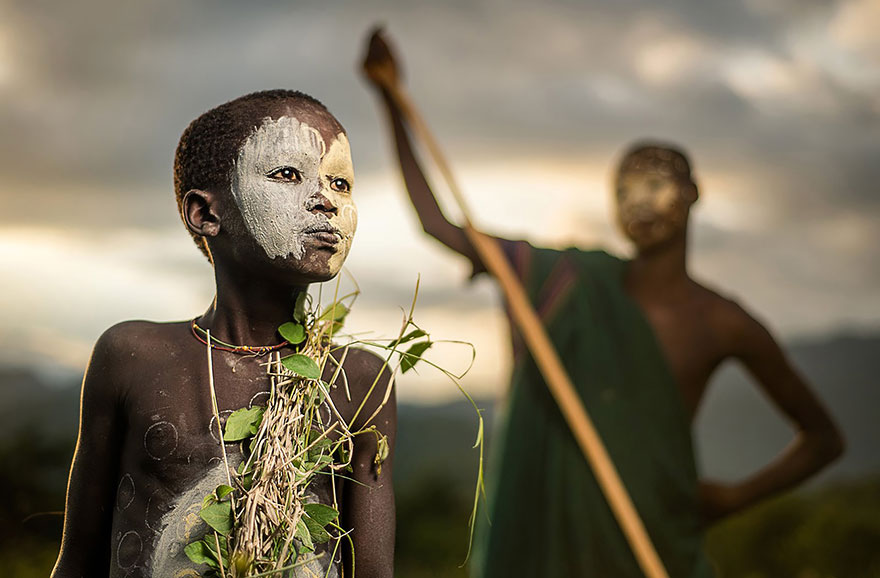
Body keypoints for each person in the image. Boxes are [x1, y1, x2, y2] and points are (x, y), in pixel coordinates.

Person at [361, 30, 844, 578]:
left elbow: (824, 438)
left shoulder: (724, 323)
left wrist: (734, 499)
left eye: (657, 181)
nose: (640, 200)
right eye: (625, 189)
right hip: (545, 537)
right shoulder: (563, 280)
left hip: (656, 538)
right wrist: (392, 100)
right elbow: (438, 223)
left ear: (694, 193)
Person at [51, 90, 396, 578]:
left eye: (341, 183)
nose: (326, 202)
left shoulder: (359, 380)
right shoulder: (133, 356)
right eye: (288, 174)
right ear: (206, 214)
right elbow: (78, 560)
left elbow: (374, 572)